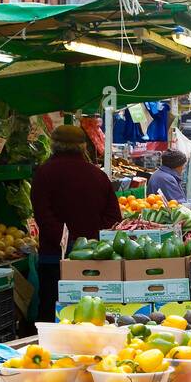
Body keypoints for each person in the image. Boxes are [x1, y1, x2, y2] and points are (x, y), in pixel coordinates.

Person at [31, 124, 121, 322]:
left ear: (53, 145)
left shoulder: (43, 174)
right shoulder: (98, 175)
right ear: (83, 146)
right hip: (94, 259)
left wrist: (67, 243)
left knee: (51, 306)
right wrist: (91, 242)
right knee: (92, 309)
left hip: (54, 257)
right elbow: (114, 217)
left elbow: (43, 215)